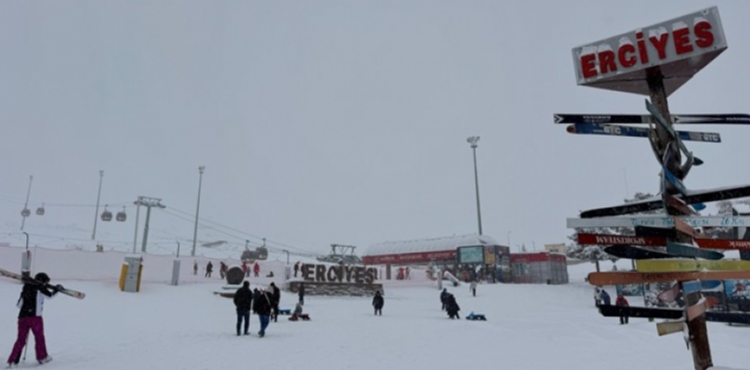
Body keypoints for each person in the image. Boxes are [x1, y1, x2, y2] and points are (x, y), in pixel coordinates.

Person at [6, 272, 59, 367]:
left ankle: (12, 361)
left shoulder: (26, 288)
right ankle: (42, 357)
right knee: (39, 337)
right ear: (44, 281)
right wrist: (57, 290)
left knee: (20, 339)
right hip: (35, 317)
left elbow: (19, 305)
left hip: (22, 317)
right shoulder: (40, 287)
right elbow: (49, 296)